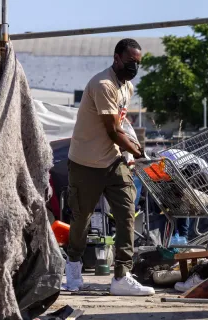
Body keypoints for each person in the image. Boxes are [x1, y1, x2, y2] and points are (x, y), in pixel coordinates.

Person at [65, 38, 155, 296]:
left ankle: (121, 276)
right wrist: (137, 152)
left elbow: (123, 124)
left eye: (138, 64)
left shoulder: (126, 87)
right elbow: (113, 130)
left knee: (127, 215)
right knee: (81, 218)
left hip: (114, 162)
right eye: (130, 62)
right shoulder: (103, 84)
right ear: (116, 58)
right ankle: (73, 267)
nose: (134, 68)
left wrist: (131, 151)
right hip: (86, 163)